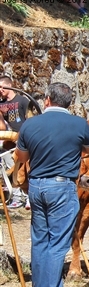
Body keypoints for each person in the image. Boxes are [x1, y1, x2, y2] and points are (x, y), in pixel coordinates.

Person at [15, 82, 89, 287]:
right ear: (68, 102)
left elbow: (21, 157)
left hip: (36, 186)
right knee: (58, 241)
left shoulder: (30, 124)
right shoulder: (79, 124)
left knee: (40, 240)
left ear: (47, 100)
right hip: (62, 186)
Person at [0, 75, 31, 209]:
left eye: (2, 87)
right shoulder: (1, 104)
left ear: (9, 85)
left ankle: (30, 198)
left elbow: (29, 118)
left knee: (27, 167)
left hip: (23, 138)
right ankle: (17, 197)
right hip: (9, 141)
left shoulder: (22, 100)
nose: (0, 90)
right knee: (10, 168)